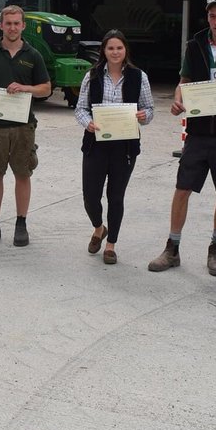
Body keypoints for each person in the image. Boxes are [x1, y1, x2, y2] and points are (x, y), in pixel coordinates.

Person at [147, 0, 216, 276]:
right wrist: (176, 100)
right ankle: (172, 248)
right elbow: (184, 82)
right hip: (197, 132)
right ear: (207, 19)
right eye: (212, 16)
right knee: (182, 188)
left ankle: (215, 249)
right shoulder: (194, 46)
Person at [0, 5, 53, 247]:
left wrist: (26, 87)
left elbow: (46, 88)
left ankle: (21, 224)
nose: (12, 27)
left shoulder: (33, 55)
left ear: (23, 25)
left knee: (23, 174)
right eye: (8, 23)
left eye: (17, 23)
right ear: (1, 25)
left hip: (23, 128)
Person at [76, 30, 153, 264]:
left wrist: (143, 116)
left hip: (125, 147)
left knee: (116, 196)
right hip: (95, 144)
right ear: (104, 51)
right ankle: (99, 228)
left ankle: (111, 245)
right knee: (90, 196)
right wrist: (87, 123)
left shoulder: (140, 77)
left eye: (119, 48)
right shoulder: (92, 76)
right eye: (111, 48)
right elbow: (80, 108)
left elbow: (149, 110)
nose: (115, 52)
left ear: (125, 50)